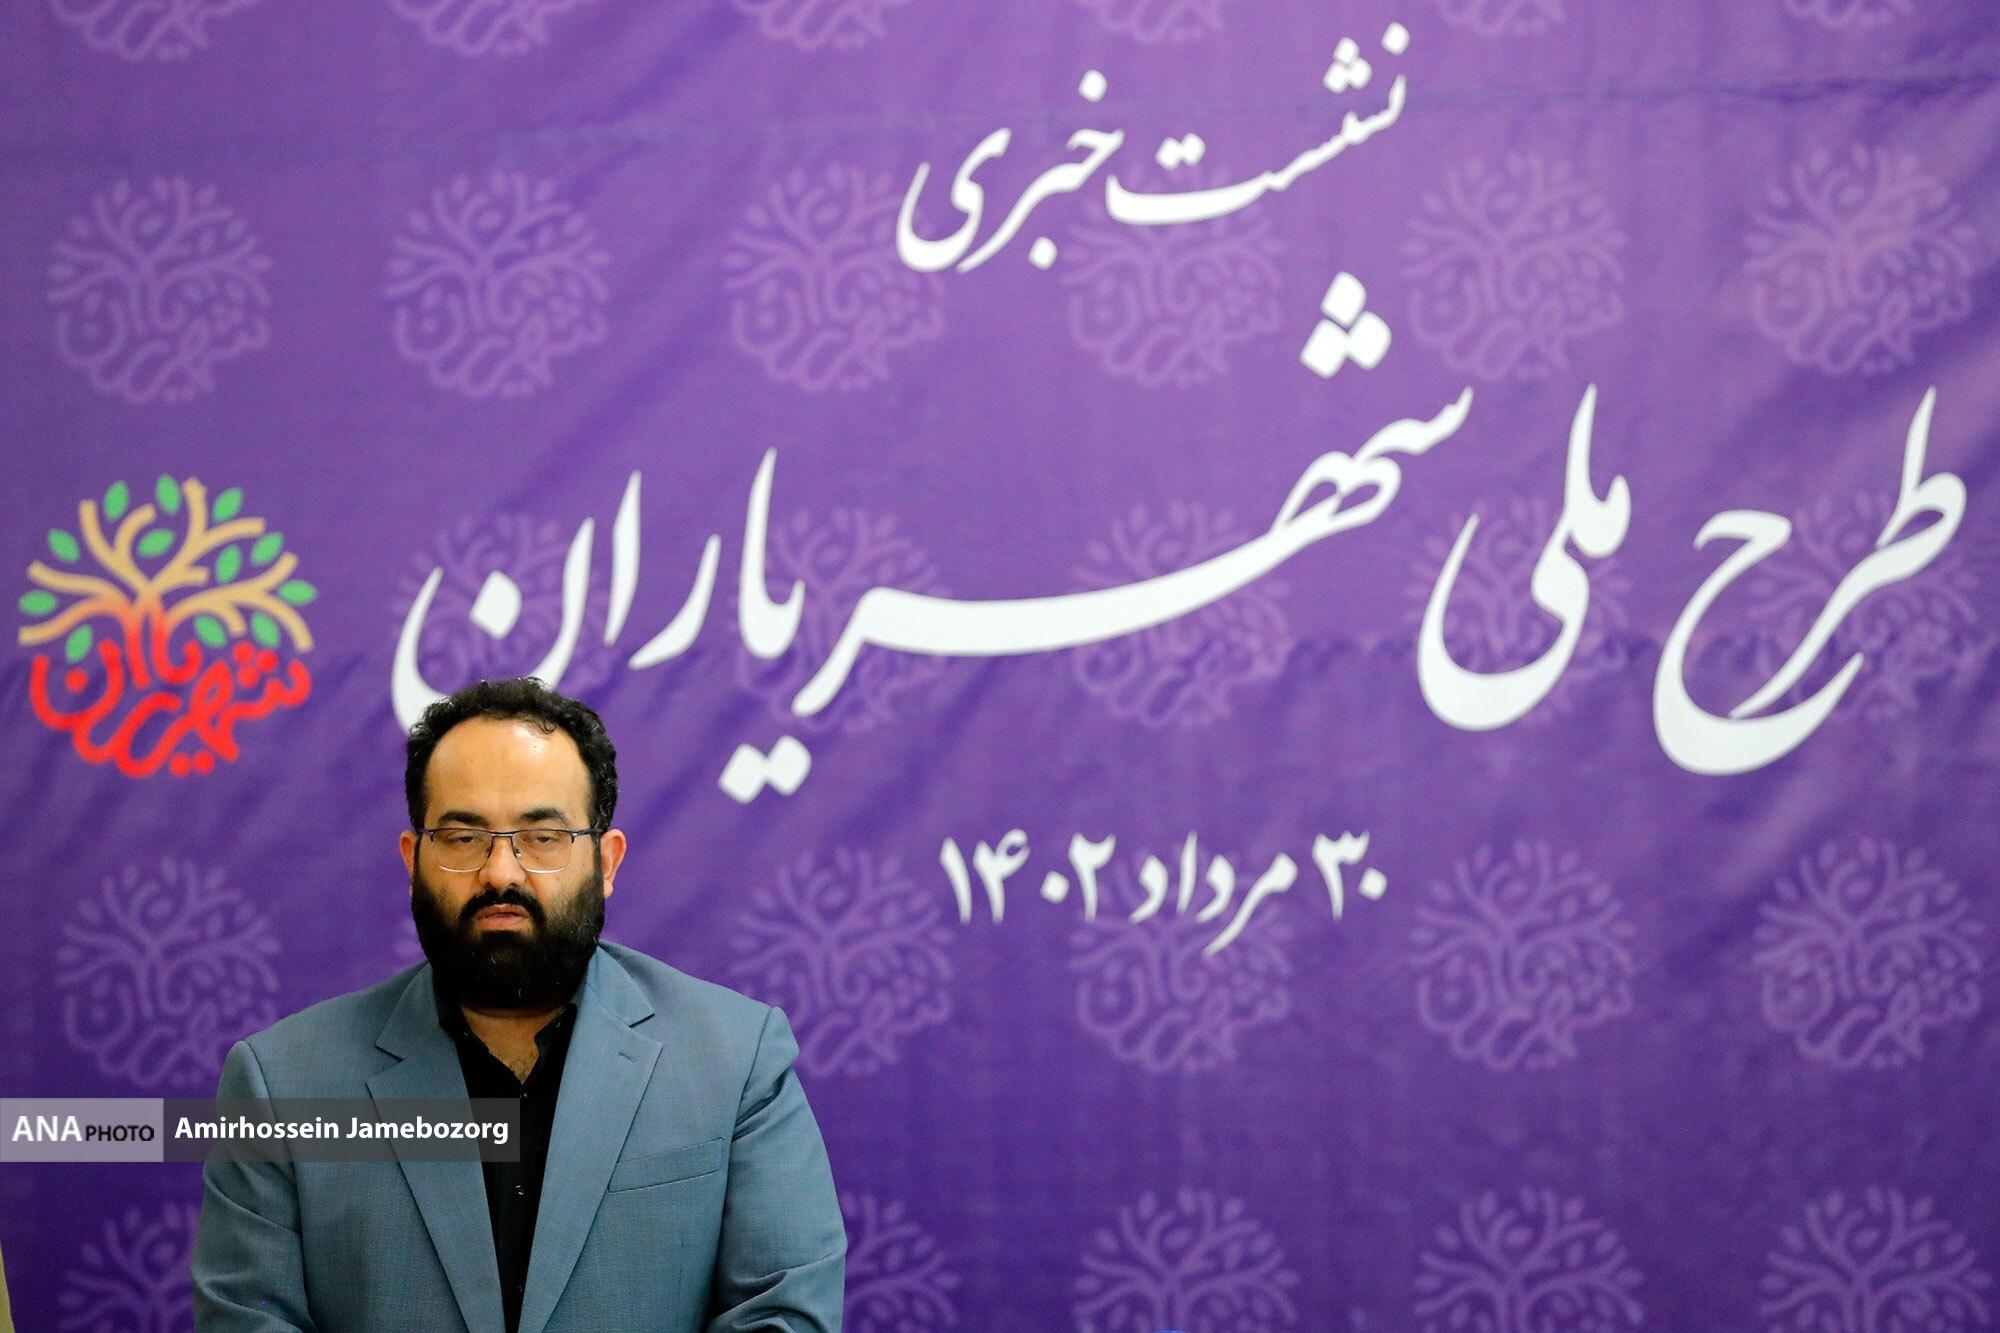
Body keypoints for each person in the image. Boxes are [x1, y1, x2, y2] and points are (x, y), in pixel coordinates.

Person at [191, 677, 845, 1332]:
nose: (501, 872)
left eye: (542, 837)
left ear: (606, 862)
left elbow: (784, 1315)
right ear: (413, 860)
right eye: (463, 837)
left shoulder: (735, 1061)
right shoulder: (282, 1085)